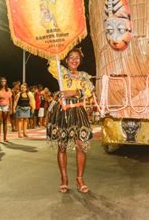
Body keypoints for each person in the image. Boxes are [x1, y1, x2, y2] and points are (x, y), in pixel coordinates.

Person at [47, 48, 95, 193]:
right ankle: (64, 178)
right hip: (63, 111)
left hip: (78, 111)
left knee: (81, 145)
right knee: (62, 146)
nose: (74, 60)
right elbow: (52, 62)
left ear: (80, 61)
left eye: (77, 58)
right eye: (71, 57)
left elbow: (88, 92)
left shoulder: (85, 76)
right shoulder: (61, 72)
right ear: (66, 60)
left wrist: (73, 92)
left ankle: (79, 178)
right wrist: (59, 49)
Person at [0, 77, 12, 142]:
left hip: (6, 106)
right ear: (0, 82)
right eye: (2, 81)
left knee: (5, 122)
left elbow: (10, 99)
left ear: (6, 82)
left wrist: (11, 108)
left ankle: (5, 137)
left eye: (4, 81)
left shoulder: (8, 89)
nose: (3, 82)